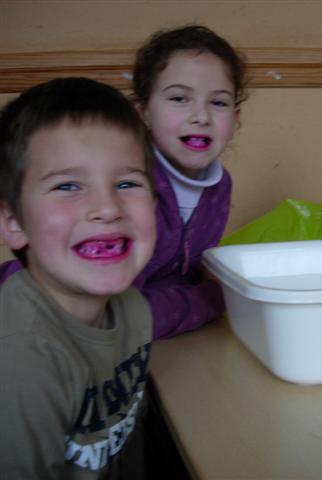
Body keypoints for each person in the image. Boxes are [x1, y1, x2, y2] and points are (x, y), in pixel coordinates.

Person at [0, 77, 157, 477]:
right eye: (68, 185)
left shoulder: (134, 308)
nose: (107, 207)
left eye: (127, 183)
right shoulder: (19, 362)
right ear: (14, 222)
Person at [131, 25, 247, 339]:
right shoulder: (126, 186)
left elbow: (190, 272)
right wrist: (212, 299)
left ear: (235, 119)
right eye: (179, 98)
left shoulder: (220, 186)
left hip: (174, 336)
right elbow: (115, 316)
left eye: (218, 103)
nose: (201, 116)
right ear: (144, 112)